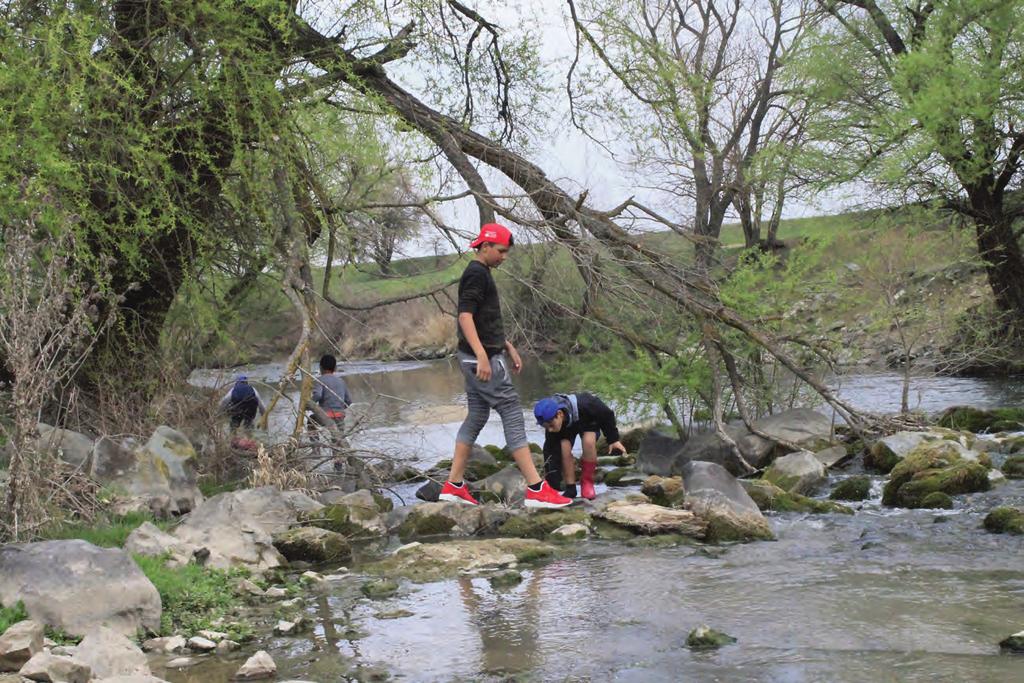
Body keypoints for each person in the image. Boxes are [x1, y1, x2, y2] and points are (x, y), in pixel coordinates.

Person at [439, 223, 571, 509]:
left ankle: (454, 485)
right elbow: (465, 317)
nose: (504, 256)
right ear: (484, 247)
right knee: (511, 411)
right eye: (500, 251)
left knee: (476, 415)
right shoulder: (476, 274)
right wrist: (483, 355)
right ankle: (537, 488)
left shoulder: (481, 272)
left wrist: (505, 344)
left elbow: (484, 319)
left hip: (479, 355)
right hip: (480, 359)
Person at [533, 392, 627, 500]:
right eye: (545, 427)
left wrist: (613, 439)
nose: (549, 429)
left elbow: (607, 414)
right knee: (563, 448)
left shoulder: (589, 404)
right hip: (566, 427)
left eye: (550, 425)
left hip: (587, 420)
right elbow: (550, 453)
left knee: (589, 442)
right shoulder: (552, 425)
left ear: (559, 414)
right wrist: (553, 482)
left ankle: (587, 481)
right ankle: (570, 487)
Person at [311, 353, 352, 432]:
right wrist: (339, 408)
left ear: (320, 367)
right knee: (338, 439)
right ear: (335, 368)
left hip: (325, 415)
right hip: (340, 416)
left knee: (311, 421)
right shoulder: (341, 381)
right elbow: (349, 401)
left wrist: (309, 404)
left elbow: (318, 395)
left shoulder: (320, 380)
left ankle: (314, 442)